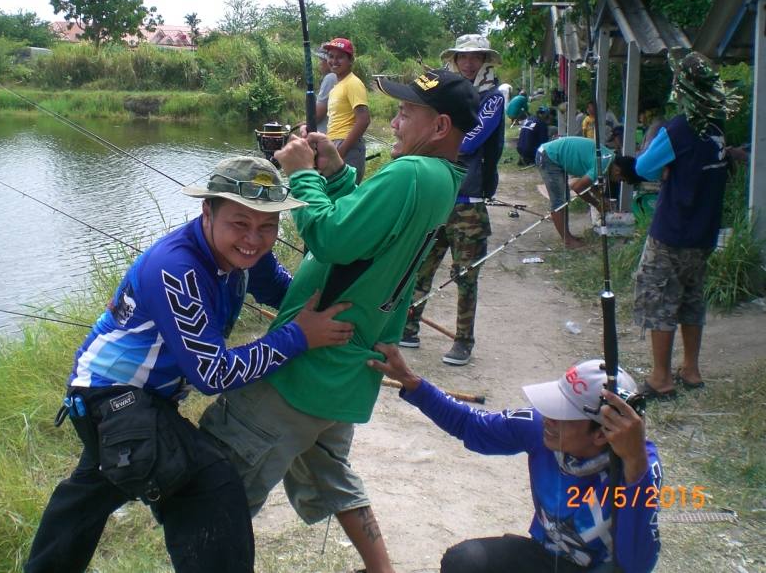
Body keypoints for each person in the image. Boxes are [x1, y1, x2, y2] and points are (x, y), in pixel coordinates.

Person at [200, 69, 480, 573]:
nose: (393, 122)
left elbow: (332, 237)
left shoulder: (412, 172)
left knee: (217, 486)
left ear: (439, 126)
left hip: (306, 371)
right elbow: (372, 229)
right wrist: (334, 173)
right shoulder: (442, 177)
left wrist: (302, 172)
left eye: (404, 113)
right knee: (329, 472)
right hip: (345, 369)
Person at [23, 156, 355, 573]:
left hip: (140, 399)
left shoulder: (245, 257)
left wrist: (327, 309)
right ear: (207, 212)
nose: (254, 238)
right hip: (112, 394)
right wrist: (300, 336)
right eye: (240, 223)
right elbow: (213, 374)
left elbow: (286, 296)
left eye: (268, 226)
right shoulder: (177, 269)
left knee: (94, 490)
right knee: (209, 485)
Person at [369, 348, 661, 573]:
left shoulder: (639, 464)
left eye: (561, 415)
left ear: (602, 434)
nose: (547, 418)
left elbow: (636, 564)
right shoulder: (541, 428)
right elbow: (472, 426)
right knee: (464, 562)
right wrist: (411, 382)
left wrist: (635, 469)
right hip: (547, 557)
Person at [633, 51, 740, 400]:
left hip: (671, 233)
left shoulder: (678, 128)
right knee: (692, 300)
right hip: (704, 234)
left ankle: (661, 378)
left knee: (660, 299)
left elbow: (644, 168)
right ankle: (691, 370)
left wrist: (665, 167)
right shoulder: (716, 128)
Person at [400, 34, 505, 366]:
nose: (469, 63)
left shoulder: (493, 97)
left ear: (485, 60)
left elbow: (470, 142)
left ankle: (463, 341)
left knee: (466, 276)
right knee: (420, 265)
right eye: (464, 57)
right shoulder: (444, 95)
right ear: (455, 61)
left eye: (476, 57)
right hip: (437, 194)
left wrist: (423, 144)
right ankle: (408, 327)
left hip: (469, 199)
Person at [535, 136, 641, 248]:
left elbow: (589, 184)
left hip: (553, 154)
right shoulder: (603, 164)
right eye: (622, 179)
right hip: (549, 156)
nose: (619, 181)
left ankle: (568, 236)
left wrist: (601, 198)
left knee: (564, 199)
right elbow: (578, 188)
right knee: (559, 202)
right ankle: (568, 241)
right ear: (617, 171)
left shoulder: (609, 159)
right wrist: (596, 204)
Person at [322, 36, 371, 184]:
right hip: (335, 144)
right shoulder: (338, 85)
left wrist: (341, 150)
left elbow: (364, 119)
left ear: (350, 60)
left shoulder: (353, 83)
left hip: (347, 146)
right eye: (331, 56)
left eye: (340, 57)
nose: (334, 61)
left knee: (345, 196)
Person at [314, 48, 338, 133]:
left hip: (325, 134)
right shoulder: (337, 77)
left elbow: (319, 114)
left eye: (321, 60)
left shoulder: (330, 78)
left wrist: (307, 124)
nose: (319, 63)